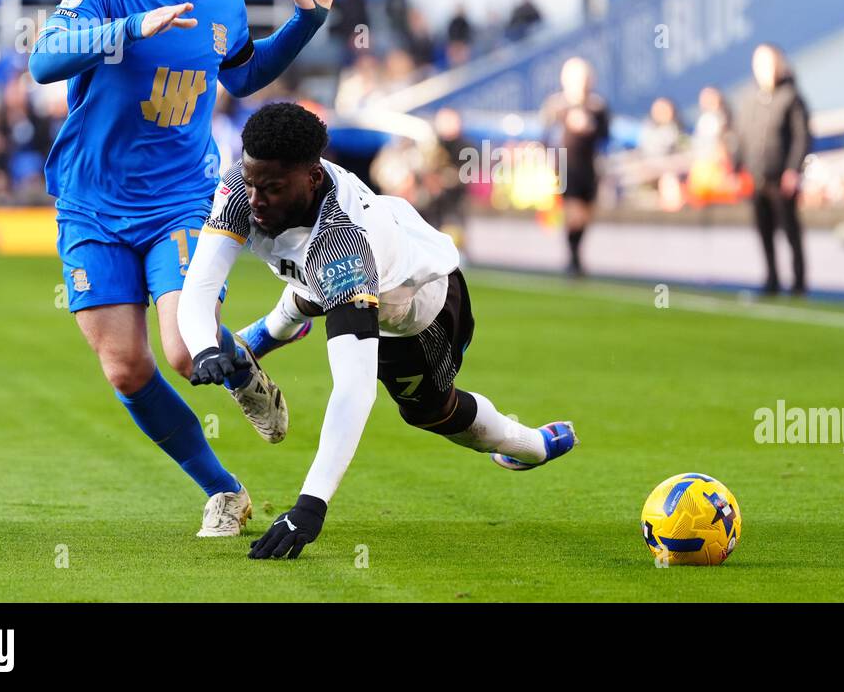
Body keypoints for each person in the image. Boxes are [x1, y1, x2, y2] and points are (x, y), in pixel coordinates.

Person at [28, 0, 342, 537]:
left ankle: (244, 359)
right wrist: (129, 29)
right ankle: (225, 489)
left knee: (180, 349)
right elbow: (44, 60)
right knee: (126, 366)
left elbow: (241, 76)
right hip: (91, 200)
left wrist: (307, 21)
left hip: (180, 196)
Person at [177, 103, 577, 560]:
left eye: (270, 188)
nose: (255, 200)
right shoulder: (241, 186)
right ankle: (275, 329)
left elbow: (354, 388)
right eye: (250, 184)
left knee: (432, 414)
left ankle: (532, 445)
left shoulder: (343, 246)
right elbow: (202, 284)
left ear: (310, 179)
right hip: (348, 268)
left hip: (419, 307)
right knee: (314, 277)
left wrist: (310, 505)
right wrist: (205, 348)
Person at [737, 43, 811, 296]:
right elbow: (742, 135)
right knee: (764, 232)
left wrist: (793, 169)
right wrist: (739, 167)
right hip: (757, 177)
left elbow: (802, 136)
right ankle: (772, 280)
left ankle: (799, 282)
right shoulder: (749, 98)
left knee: (790, 231)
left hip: (782, 177)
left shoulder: (791, 97)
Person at [541, 57, 610, 275]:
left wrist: (590, 127)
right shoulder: (556, 105)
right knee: (573, 214)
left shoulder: (597, 106)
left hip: (588, 168)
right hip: (565, 167)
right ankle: (573, 259)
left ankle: (576, 256)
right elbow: (546, 136)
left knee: (586, 215)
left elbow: (605, 135)